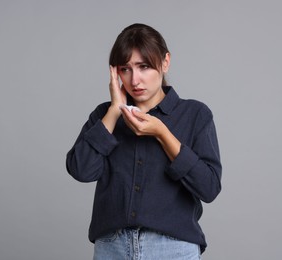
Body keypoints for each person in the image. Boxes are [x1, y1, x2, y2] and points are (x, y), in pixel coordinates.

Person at [66, 23, 222, 260]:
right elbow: (81, 170)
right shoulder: (104, 116)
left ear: (165, 62)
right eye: (125, 69)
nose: (135, 80)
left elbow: (209, 187)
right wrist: (114, 111)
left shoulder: (195, 114)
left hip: (173, 248)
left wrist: (162, 133)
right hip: (112, 247)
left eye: (144, 67)